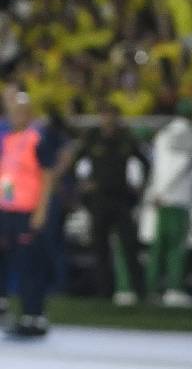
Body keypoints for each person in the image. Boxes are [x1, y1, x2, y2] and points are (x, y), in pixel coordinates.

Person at [0, 84, 70, 336]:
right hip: (10, 210)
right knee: (14, 262)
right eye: (12, 111)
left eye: (20, 112)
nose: (15, 116)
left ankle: (35, 315)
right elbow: (9, 176)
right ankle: (18, 310)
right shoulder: (10, 139)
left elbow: (47, 176)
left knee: (31, 265)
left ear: (29, 114)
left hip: (29, 210)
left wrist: (41, 210)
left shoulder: (36, 139)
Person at [71, 105, 150, 305]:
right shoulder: (92, 137)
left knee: (130, 245)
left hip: (121, 198)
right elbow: (74, 162)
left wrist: (141, 186)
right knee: (100, 248)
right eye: (105, 116)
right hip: (99, 199)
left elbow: (146, 162)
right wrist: (82, 185)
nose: (108, 121)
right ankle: (104, 292)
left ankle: (139, 291)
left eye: (112, 117)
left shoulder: (126, 138)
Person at [144, 104, 192, 307]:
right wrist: (164, 191)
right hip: (176, 197)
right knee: (176, 245)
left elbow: (159, 166)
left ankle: (152, 288)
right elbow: (179, 164)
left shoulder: (164, 133)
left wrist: (156, 192)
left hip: (162, 196)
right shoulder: (186, 132)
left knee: (159, 245)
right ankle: (174, 289)